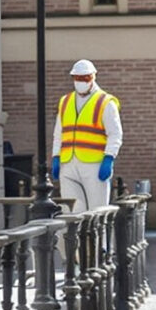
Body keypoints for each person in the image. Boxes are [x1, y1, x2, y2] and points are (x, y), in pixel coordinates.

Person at [50, 59, 122, 212]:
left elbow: (115, 134)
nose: (81, 81)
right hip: (68, 164)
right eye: (77, 78)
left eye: (85, 78)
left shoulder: (105, 102)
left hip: (94, 165)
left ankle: (97, 238)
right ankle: (74, 237)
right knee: (71, 212)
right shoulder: (65, 101)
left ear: (93, 77)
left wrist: (109, 158)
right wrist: (56, 157)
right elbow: (58, 134)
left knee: (97, 213)